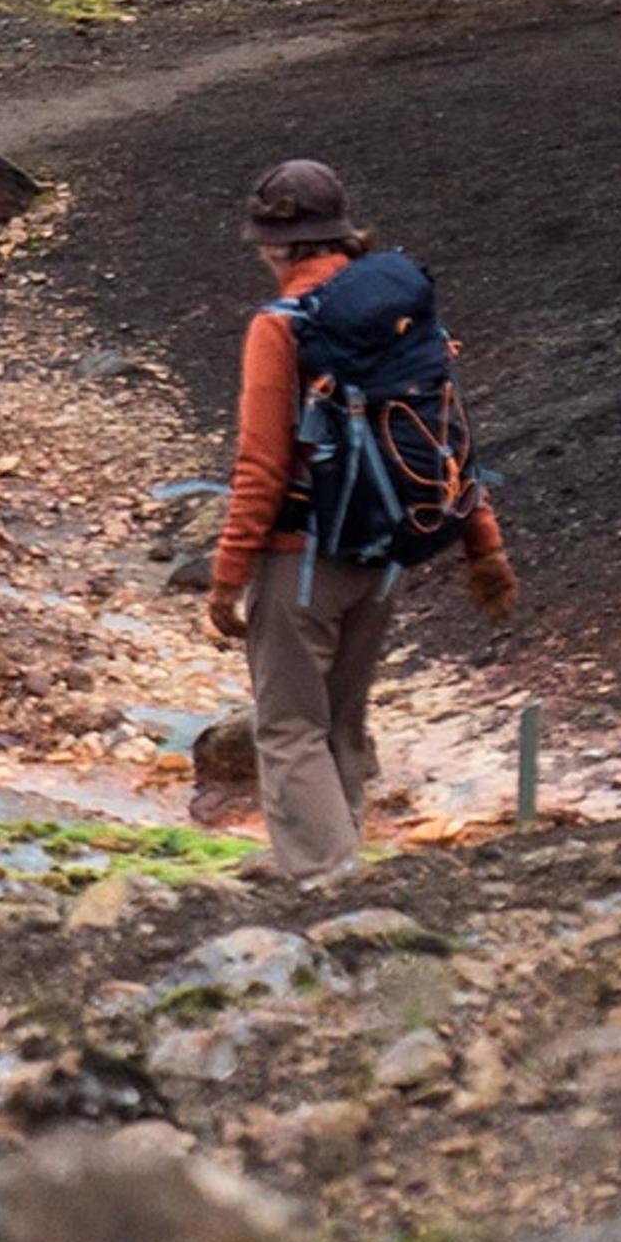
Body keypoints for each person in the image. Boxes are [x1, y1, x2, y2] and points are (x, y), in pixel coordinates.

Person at [207, 161, 517, 884]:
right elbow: (449, 438)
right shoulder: (403, 312)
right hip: (386, 558)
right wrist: (484, 548)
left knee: (288, 729)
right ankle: (331, 857)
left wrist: (226, 579)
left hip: (301, 556)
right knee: (342, 724)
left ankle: (326, 880)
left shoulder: (281, 327)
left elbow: (259, 466)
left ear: (276, 245)